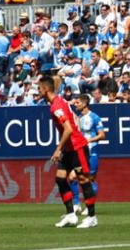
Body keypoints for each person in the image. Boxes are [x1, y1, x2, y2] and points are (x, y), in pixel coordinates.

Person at [40, 76, 97, 229]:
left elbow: (69, 129)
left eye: (39, 88)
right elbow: (73, 121)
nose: (37, 91)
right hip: (69, 148)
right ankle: (71, 215)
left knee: (83, 180)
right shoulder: (59, 101)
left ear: (45, 89)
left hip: (77, 147)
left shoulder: (56, 107)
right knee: (60, 179)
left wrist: (58, 149)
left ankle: (92, 217)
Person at [69, 94, 105, 211]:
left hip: (91, 152)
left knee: (90, 179)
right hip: (80, 152)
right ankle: (76, 204)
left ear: (84, 104)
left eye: (78, 102)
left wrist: (88, 140)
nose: (75, 104)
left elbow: (102, 135)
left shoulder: (94, 117)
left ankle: (90, 206)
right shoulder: (78, 118)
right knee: (72, 177)